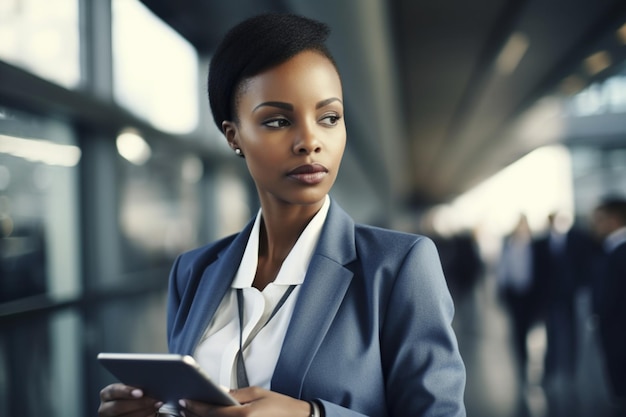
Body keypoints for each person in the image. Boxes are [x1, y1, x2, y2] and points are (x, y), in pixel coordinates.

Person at [98, 13, 466, 417]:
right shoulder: (193, 272)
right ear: (233, 136)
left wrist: (311, 415)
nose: (310, 141)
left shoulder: (398, 266)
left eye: (329, 118)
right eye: (278, 121)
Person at [590, 196, 626, 415]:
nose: (595, 224)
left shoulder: (618, 252)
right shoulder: (610, 249)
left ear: (613, 220)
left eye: (600, 219)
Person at [496, 214, 540, 385]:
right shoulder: (509, 244)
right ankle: (522, 359)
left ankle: (530, 356)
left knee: (530, 326)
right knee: (518, 328)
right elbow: (503, 268)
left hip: (530, 293)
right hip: (514, 293)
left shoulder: (535, 245)